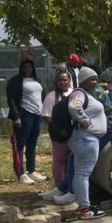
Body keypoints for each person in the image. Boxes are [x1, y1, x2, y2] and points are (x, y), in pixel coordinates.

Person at [67, 67, 108, 218]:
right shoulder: (79, 93)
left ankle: (82, 206)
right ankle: (86, 210)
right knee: (84, 174)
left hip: (85, 139)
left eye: (96, 78)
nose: (95, 82)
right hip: (86, 139)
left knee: (80, 174)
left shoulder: (85, 94)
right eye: (92, 79)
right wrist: (84, 120)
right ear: (83, 80)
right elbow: (74, 106)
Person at [6, 59, 47, 185]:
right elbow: (11, 99)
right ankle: (21, 174)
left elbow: (43, 97)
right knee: (19, 144)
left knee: (32, 144)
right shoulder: (15, 81)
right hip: (24, 114)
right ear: (21, 68)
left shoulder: (37, 80)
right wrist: (16, 116)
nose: (27, 69)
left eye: (29, 67)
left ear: (33, 68)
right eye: (24, 67)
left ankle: (31, 171)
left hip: (37, 115)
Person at [38, 70, 73, 200]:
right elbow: (46, 115)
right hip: (59, 134)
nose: (63, 82)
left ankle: (70, 185)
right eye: (60, 80)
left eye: (65, 80)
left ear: (69, 81)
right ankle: (59, 186)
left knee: (71, 160)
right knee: (59, 160)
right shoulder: (51, 96)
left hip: (74, 133)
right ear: (56, 82)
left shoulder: (74, 93)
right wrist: (58, 128)